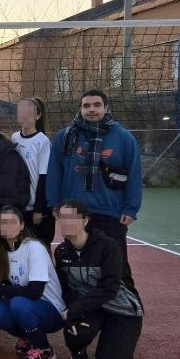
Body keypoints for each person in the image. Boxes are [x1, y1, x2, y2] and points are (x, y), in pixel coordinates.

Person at [47, 89, 142, 284]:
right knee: (75, 267)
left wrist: (131, 208)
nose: (92, 109)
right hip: (74, 212)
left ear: (106, 108)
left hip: (110, 211)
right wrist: (54, 204)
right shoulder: (64, 137)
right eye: (86, 106)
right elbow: (55, 173)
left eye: (97, 105)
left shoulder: (124, 138)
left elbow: (134, 174)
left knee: (116, 266)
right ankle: (79, 310)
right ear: (80, 109)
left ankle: (126, 310)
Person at [54, 199, 143, 359]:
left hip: (121, 308)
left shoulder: (108, 246)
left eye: (72, 218)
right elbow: (66, 288)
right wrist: (73, 311)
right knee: (75, 335)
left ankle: (118, 342)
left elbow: (109, 288)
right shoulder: (62, 252)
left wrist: (75, 309)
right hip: (91, 308)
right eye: (63, 218)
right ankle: (80, 347)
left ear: (85, 220)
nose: (67, 223)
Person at [0, 206, 65, 359]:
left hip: (52, 310)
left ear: (22, 225)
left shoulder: (34, 248)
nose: (6, 226)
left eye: (12, 222)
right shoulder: (2, 251)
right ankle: (28, 336)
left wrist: (3, 290)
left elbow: (35, 292)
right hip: (28, 305)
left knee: (17, 303)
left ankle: (45, 349)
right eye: (2, 222)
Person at [11, 97, 54, 247]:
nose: (24, 116)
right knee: (19, 247)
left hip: (36, 208)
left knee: (40, 248)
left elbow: (44, 177)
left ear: (38, 115)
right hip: (20, 206)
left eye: (29, 113)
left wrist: (39, 209)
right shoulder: (14, 138)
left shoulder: (42, 141)